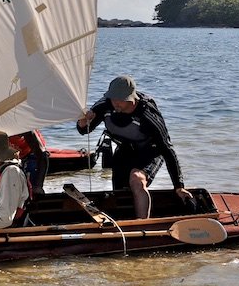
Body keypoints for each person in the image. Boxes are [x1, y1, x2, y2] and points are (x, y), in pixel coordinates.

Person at [76, 74, 192, 219]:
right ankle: (123, 224)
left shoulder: (147, 115)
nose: (116, 103)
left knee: (136, 179)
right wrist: (82, 121)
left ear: (131, 98)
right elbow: (83, 130)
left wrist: (179, 186)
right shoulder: (104, 105)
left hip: (150, 151)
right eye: (113, 98)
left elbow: (168, 150)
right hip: (124, 150)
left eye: (120, 100)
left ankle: (142, 225)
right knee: (119, 192)